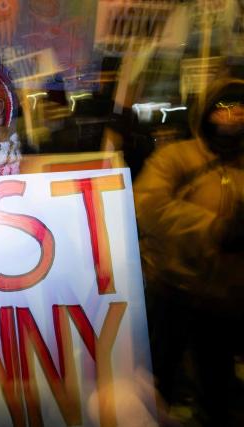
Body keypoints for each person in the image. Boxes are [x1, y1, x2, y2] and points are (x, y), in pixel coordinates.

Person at [134, 79, 244, 426]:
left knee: (217, 393)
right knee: (155, 387)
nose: (233, 116)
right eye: (224, 108)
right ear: (208, 113)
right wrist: (214, 228)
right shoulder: (175, 157)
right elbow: (149, 206)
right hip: (172, 291)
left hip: (224, 301)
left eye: (241, 109)